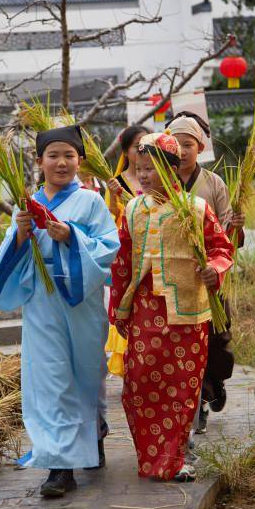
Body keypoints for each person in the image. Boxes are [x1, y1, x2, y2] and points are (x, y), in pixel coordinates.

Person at [0, 125, 120, 498]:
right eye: (53, 155)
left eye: (69, 155)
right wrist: (21, 235)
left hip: (81, 299)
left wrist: (71, 237)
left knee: (86, 374)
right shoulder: (25, 203)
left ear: (80, 160)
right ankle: (60, 468)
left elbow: (110, 248)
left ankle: (93, 436)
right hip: (43, 301)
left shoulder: (92, 201)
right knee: (50, 378)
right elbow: (2, 260)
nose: (62, 162)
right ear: (39, 160)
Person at [109, 132, 233, 481]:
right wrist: (118, 310)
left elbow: (221, 249)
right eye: (139, 168)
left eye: (150, 168)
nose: (144, 175)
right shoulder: (133, 209)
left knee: (181, 389)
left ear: (171, 169)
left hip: (187, 314)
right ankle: (151, 458)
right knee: (139, 386)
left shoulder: (195, 208)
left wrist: (215, 270)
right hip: (145, 312)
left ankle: (173, 460)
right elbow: (121, 264)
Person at [166, 112, 245, 433]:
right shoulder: (161, 182)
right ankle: (196, 402)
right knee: (182, 347)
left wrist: (237, 226)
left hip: (210, 278)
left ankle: (214, 382)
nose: (182, 151)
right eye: (176, 145)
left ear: (201, 147)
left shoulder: (214, 184)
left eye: (189, 144)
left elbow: (230, 240)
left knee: (216, 340)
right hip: (175, 279)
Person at [105, 125, 150, 376]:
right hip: (128, 254)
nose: (142, 151)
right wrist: (113, 197)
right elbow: (109, 218)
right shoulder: (116, 183)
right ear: (125, 151)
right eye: (137, 147)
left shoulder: (158, 178)